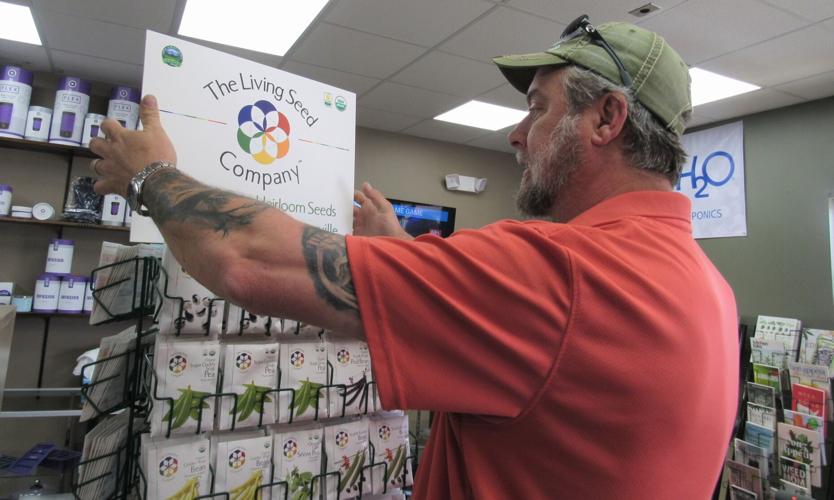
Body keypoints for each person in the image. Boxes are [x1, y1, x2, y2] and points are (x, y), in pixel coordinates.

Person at [89, 16, 738, 500]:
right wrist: (397, 247)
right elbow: (543, 354)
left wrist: (150, 177)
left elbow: (248, 259)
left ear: (607, 119)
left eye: (538, 107)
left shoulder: (560, 273)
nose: (517, 132)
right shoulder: (705, 285)